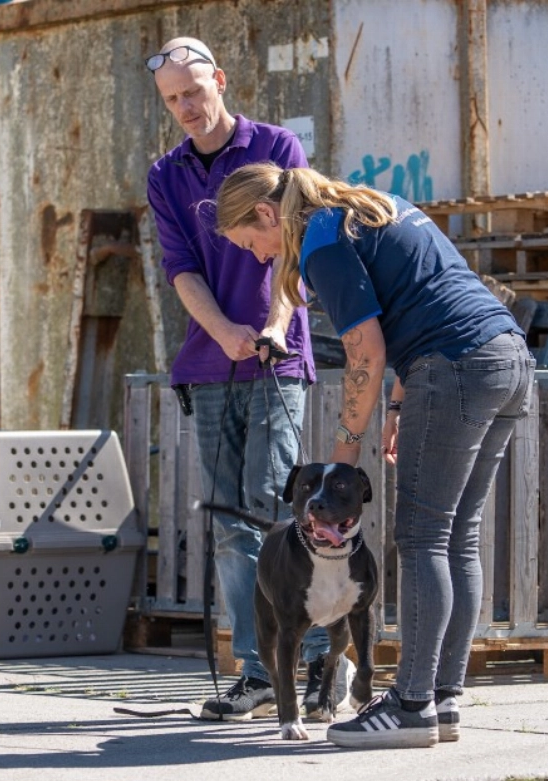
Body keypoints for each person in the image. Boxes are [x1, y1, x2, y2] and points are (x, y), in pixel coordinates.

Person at [217, 164, 535, 748]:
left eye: (251, 244)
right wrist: (395, 406)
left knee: (424, 538)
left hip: (456, 367)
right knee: (457, 535)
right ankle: (442, 697)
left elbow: (365, 346)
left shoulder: (318, 236)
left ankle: (411, 704)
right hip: (508, 359)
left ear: (266, 215)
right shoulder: (372, 205)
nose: (260, 257)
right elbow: (421, 299)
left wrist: (341, 455)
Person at [146, 37, 346, 721]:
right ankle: (260, 672)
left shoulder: (277, 148)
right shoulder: (165, 174)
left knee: (279, 510)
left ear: (220, 81)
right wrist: (222, 331)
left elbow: (294, 249)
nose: (185, 109)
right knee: (232, 522)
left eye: (193, 93)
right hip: (209, 364)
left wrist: (270, 326)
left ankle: (316, 663)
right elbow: (181, 270)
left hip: (274, 359)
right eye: (172, 100)